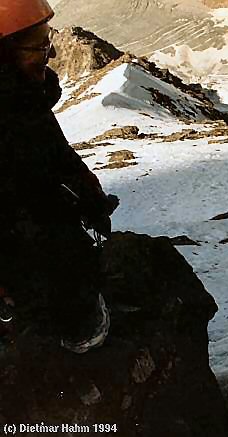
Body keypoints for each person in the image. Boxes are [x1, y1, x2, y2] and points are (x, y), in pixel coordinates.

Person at [0, 0, 118, 353]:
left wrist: (87, 192)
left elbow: (56, 155)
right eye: (39, 46)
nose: (49, 55)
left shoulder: (23, 103)